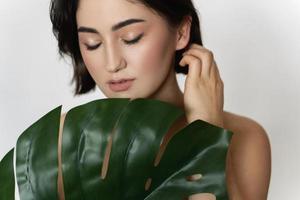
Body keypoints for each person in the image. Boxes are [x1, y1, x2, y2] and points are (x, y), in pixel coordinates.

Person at [50, 0, 271, 199]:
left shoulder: (245, 139)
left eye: (131, 37)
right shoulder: (63, 141)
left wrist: (207, 132)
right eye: (92, 43)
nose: (112, 63)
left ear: (181, 32)